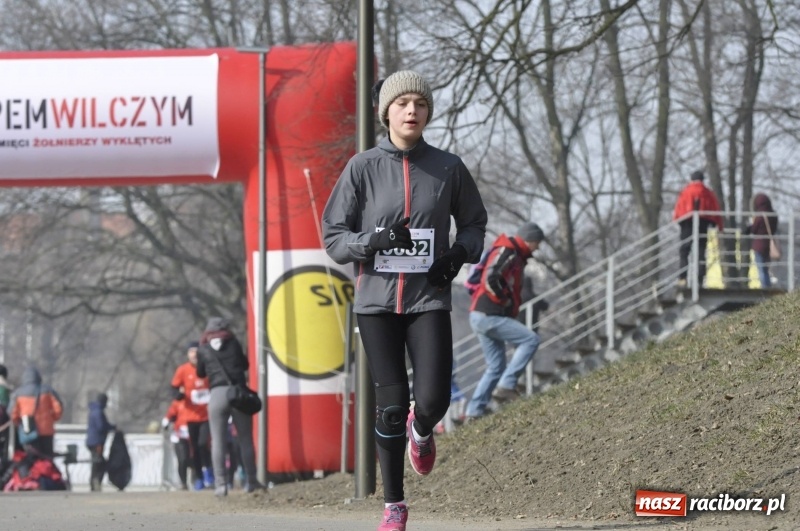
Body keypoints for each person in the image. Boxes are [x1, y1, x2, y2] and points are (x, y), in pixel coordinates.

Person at [321, 70, 487, 531]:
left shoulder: (448, 167)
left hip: (428, 299)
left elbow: (474, 223)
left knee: (431, 400)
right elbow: (333, 238)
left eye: (419, 103)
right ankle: (394, 505)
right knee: (390, 404)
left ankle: (423, 428)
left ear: (428, 112)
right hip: (375, 304)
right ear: (386, 113)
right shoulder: (362, 167)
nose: (411, 111)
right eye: (402, 104)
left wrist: (456, 254)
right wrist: (372, 241)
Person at [464, 223, 544, 421]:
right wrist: (505, 300)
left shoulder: (514, 253)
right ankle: (507, 385)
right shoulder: (508, 250)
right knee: (530, 340)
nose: (538, 248)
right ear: (529, 239)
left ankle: (473, 412)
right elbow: (490, 278)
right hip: (488, 315)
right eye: (537, 243)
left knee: (495, 366)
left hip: (481, 315)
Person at [195, 317, 264, 497]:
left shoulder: (203, 348)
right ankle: (251, 481)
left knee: (217, 441)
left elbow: (200, 372)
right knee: (245, 439)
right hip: (237, 394)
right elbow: (245, 365)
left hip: (217, 395)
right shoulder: (233, 343)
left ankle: (221, 485)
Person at [170, 340, 213, 490]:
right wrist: (179, 396)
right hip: (190, 416)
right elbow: (173, 388)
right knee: (195, 448)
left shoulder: (208, 367)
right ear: (188, 355)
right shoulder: (182, 370)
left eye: (196, 351)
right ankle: (199, 478)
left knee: (203, 444)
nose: (194, 355)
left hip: (207, 415)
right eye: (191, 352)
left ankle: (209, 473)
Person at [672, 170, 724, 288]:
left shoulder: (686, 192)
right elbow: (715, 209)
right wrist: (719, 226)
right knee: (701, 252)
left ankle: (683, 278)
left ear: (691, 179)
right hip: (703, 224)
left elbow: (679, 209)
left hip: (687, 224)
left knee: (684, 251)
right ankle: (700, 280)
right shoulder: (708, 192)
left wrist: (678, 221)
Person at [9, 365, 63, 457]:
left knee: (32, 459)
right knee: (47, 458)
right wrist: (52, 418)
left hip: (29, 432)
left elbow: (12, 413)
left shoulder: (18, 393)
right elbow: (59, 408)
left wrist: (18, 422)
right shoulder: (48, 390)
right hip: (47, 432)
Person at [744, 193, 779, 288]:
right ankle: (768, 286)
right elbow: (774, 229)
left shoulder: (760, 215)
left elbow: (754, 229)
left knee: (761, 268)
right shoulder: (773, 215)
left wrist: (750, 225)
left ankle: (765, 288)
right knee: (766, 268)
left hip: (759, 245)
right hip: (769, 245)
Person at [85, 392, 116, 491]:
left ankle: (95, 482)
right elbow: (101, 426)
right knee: (99, 463)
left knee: (97, 462)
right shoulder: (98, 412)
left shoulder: (93, 410)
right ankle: (96, 481)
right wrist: (111, 427)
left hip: (92, 441)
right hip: (97, 442)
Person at [162, 396, 191, 490]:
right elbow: (170, 414)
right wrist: (166, 421)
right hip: (179, 435)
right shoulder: (177, 403)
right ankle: (183, 482)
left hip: (193, 434)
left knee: (191, 459)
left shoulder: (194, 401)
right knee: (182, 459)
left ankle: (198, 479)